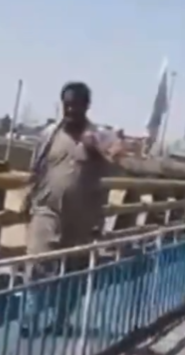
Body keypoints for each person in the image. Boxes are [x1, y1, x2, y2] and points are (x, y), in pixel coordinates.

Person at [21, 81, 124, 335]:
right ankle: (29, 320)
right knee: (37, 264)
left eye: (75, 105)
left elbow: (118, 165)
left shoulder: (98, 136)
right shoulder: (49, 134)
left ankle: (61, 320)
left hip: (82, 216)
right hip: (46, 210)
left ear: (86, 106)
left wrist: (99, 149)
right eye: (66, 105)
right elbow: (35, 169)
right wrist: (26, 198)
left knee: (75, 270)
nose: (70, 110)